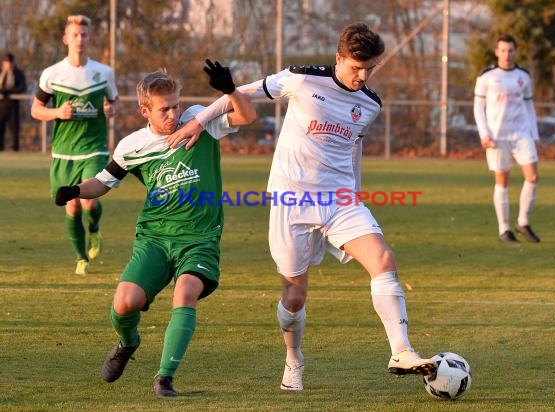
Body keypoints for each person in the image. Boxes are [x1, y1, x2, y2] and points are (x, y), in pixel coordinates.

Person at [167, 22, 437, 391]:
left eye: (370, 68)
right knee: (294, 296)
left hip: (340, 200)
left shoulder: (370, 103)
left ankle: (401, 350)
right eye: (356, 67)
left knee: (383, 260)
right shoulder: (301, 79)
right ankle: (293, 359)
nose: (363, 75)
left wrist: (355, 192)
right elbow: (243, 92)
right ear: (339, 57)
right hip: (291, 200)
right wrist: (198, 121)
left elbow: (353, 149)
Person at [54, 64, 256, 397]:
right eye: (165, 108)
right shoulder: (133, 146)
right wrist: (76, 190)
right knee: (124, 303)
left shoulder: (198, 122)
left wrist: (230, 90)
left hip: (199, 238)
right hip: (155, 238)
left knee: (186, 291)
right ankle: (128, 342)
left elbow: (247, 117)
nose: (174, 114)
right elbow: (102, 183)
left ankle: (164, 377)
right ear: (144, 110)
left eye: (176, 104)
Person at [31, 15, 119, 275]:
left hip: (95, 148)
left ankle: (94, 229)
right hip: (64, 152)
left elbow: (113, 102)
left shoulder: (104, 72)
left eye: (84, 34)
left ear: (89, 38)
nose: (80, 39)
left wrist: (110, 108)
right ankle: (81, 257)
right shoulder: (52, 74)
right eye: (75, 34)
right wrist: (57, 112)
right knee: (70, 205)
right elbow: (36, 109)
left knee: (88, 202)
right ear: (66, 38)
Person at [474, 34, 542, 243]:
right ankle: (504, 228)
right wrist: (484, 134)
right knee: (502, 181)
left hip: (521, 134)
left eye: (510, 50)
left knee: (532, 177)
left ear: (515, 52)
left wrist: (534, 133)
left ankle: (522, 222)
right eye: (503, 50)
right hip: (497, 136)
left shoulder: (523, 76)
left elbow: (529, 106)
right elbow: (478, 107)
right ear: (497, 52)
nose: (507, 54)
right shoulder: (487, 76)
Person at [0, 53, 27, 151]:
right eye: (6, 62)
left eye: (9, 62)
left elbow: (22, 87)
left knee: (14, 128)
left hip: (13, 105)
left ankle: (15, 149)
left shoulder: (18, 73)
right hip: (1, 105)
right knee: (0, 128)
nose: (8, 64)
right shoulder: (0, 72)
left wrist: (8, 91)